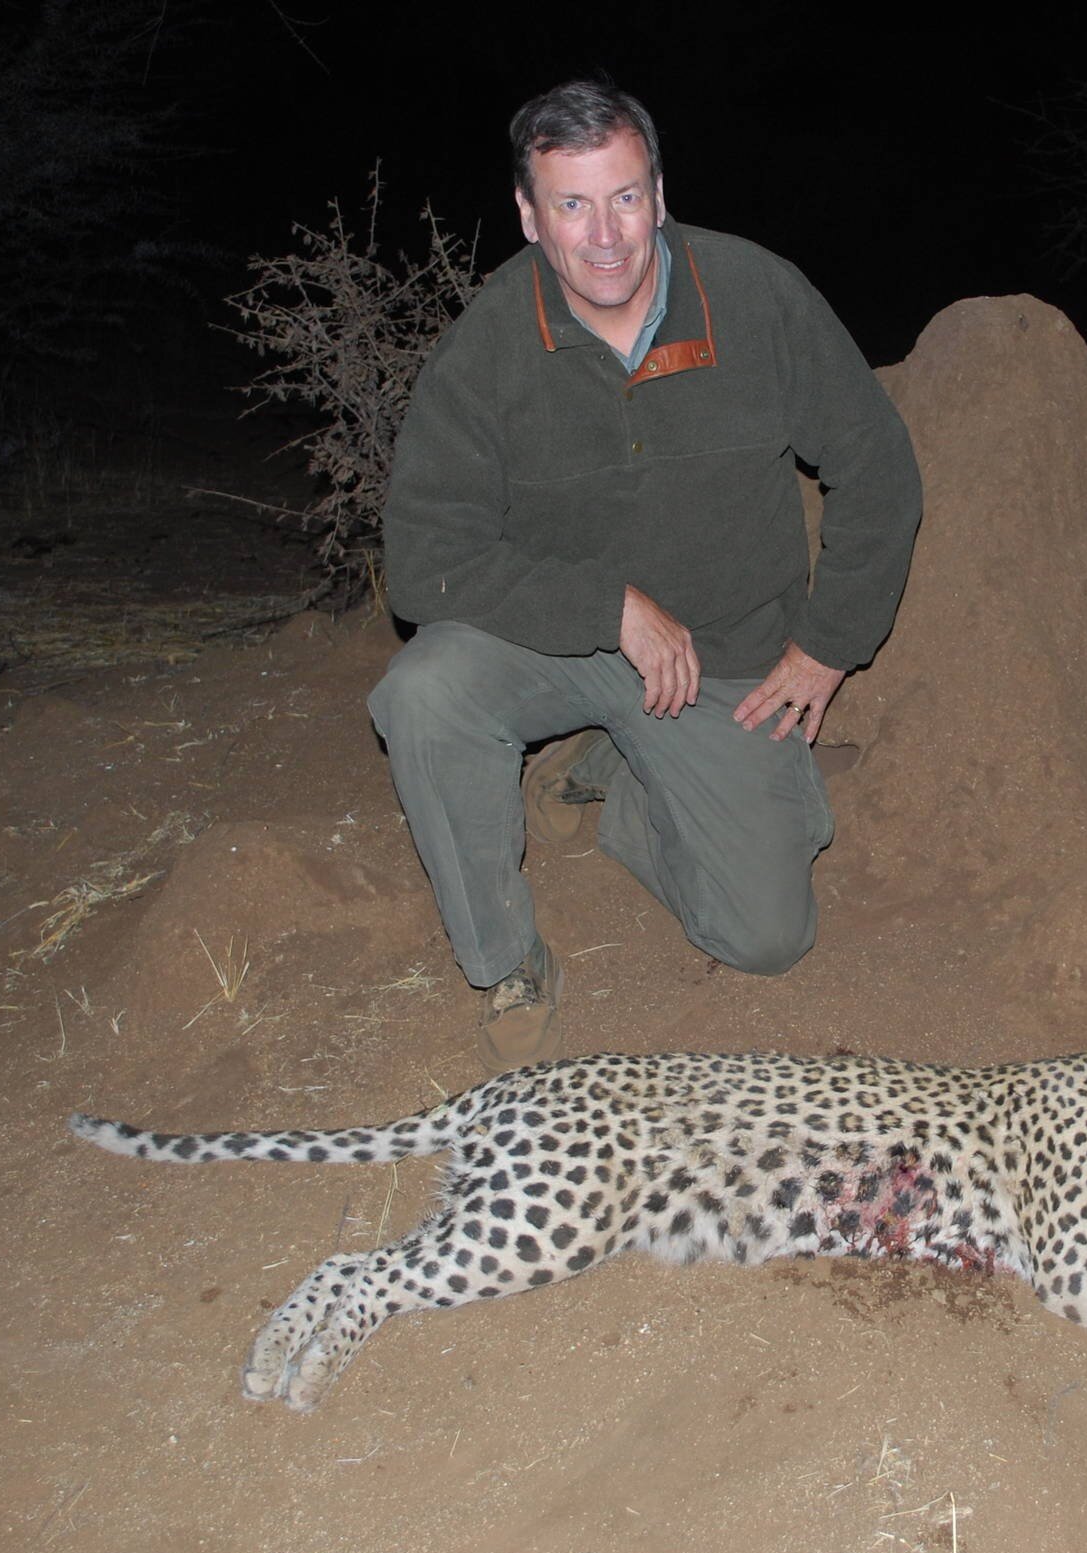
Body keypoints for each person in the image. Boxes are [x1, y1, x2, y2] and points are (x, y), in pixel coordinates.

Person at [370, 78, 922, 1067]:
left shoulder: (754, 296)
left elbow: (877, 467)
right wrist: (605, 607)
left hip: (725, 654)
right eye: (571, 205)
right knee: (425, 691)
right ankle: (504, 961)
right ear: (529, 217)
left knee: (764, 939)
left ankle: (620, 779)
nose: (605, 236)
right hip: (561, 644)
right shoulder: (492, 343)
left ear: (659, 195)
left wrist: (829, 645)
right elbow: (422, 564)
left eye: (624, 197)